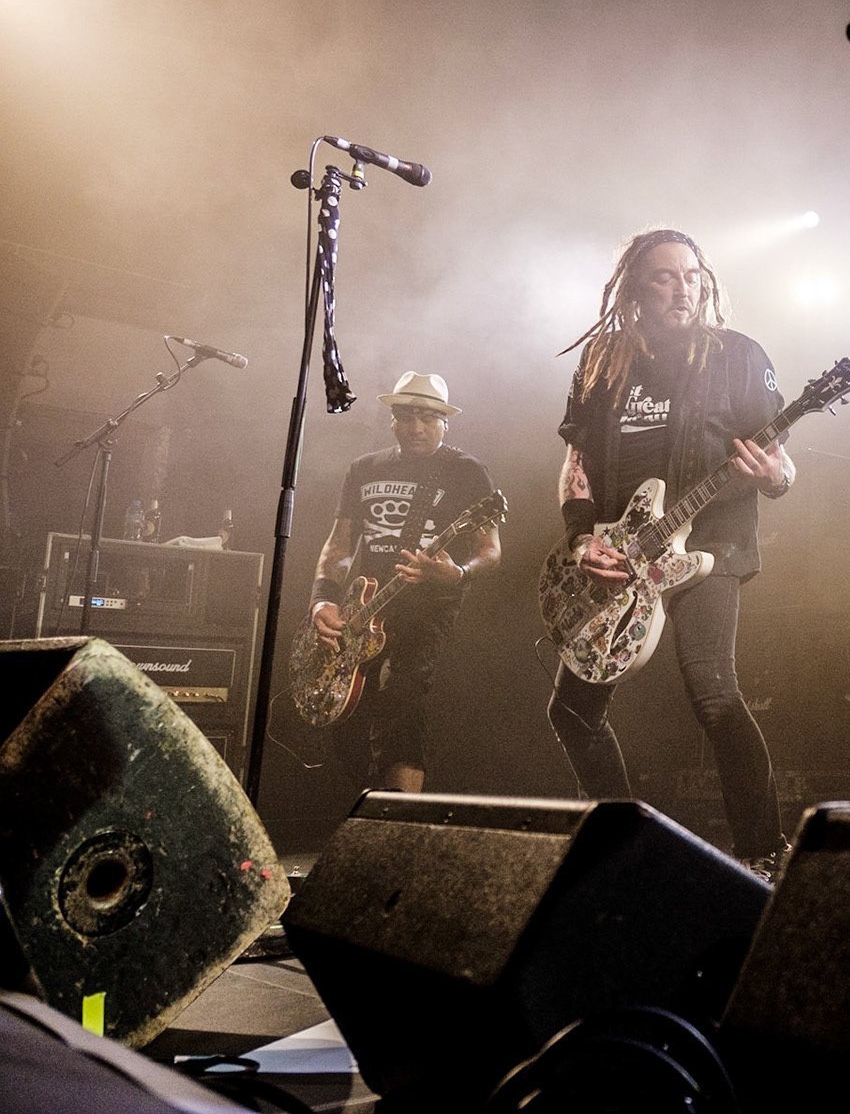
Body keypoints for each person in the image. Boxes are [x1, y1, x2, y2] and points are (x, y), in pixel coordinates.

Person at [549, 228, 793, 874]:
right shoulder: (606, 361)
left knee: (714, 694)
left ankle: (765, 854)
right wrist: (582, 540)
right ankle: (622, 851)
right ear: (635, 288)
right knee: (572, 710)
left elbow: (782, 466)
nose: (682, 287)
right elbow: (577, 460)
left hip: (709, 549)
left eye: (691, 275)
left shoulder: (737, 357)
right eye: (664, 276)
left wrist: (773, 475)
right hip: (620, 554)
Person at [310, 372, 501, 792]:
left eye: (429, 418)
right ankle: (365, 811)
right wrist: (323, 599)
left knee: (405, 701)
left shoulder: (465, 471)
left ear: (445, 424)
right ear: (393, 421)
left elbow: (490, 551)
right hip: (364, 607)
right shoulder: (363, 469)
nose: (417, 427)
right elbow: (339, 545)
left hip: (427, 604)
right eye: (408, 417)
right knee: (345, 712)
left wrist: (458, 573)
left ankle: (400, 822)